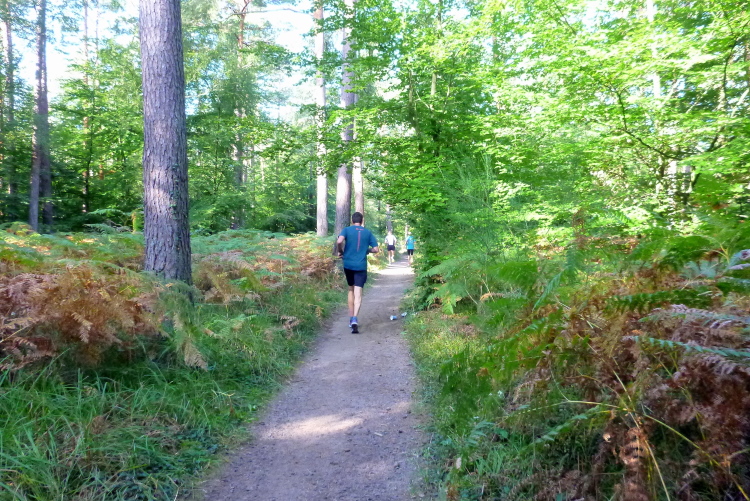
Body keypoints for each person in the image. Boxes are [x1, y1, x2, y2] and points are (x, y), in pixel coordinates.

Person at [336, 212, 379, 333]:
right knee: (358, 292)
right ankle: (355, 318)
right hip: (361, 266)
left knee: (351, 289)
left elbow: (339, 241)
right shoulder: (368, 232)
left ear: (352, 220)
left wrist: (340, 251)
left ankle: (351, 318)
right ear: (362, 221)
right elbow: (376, 249)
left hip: (348, 265)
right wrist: (367, 250)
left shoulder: (346, 230)